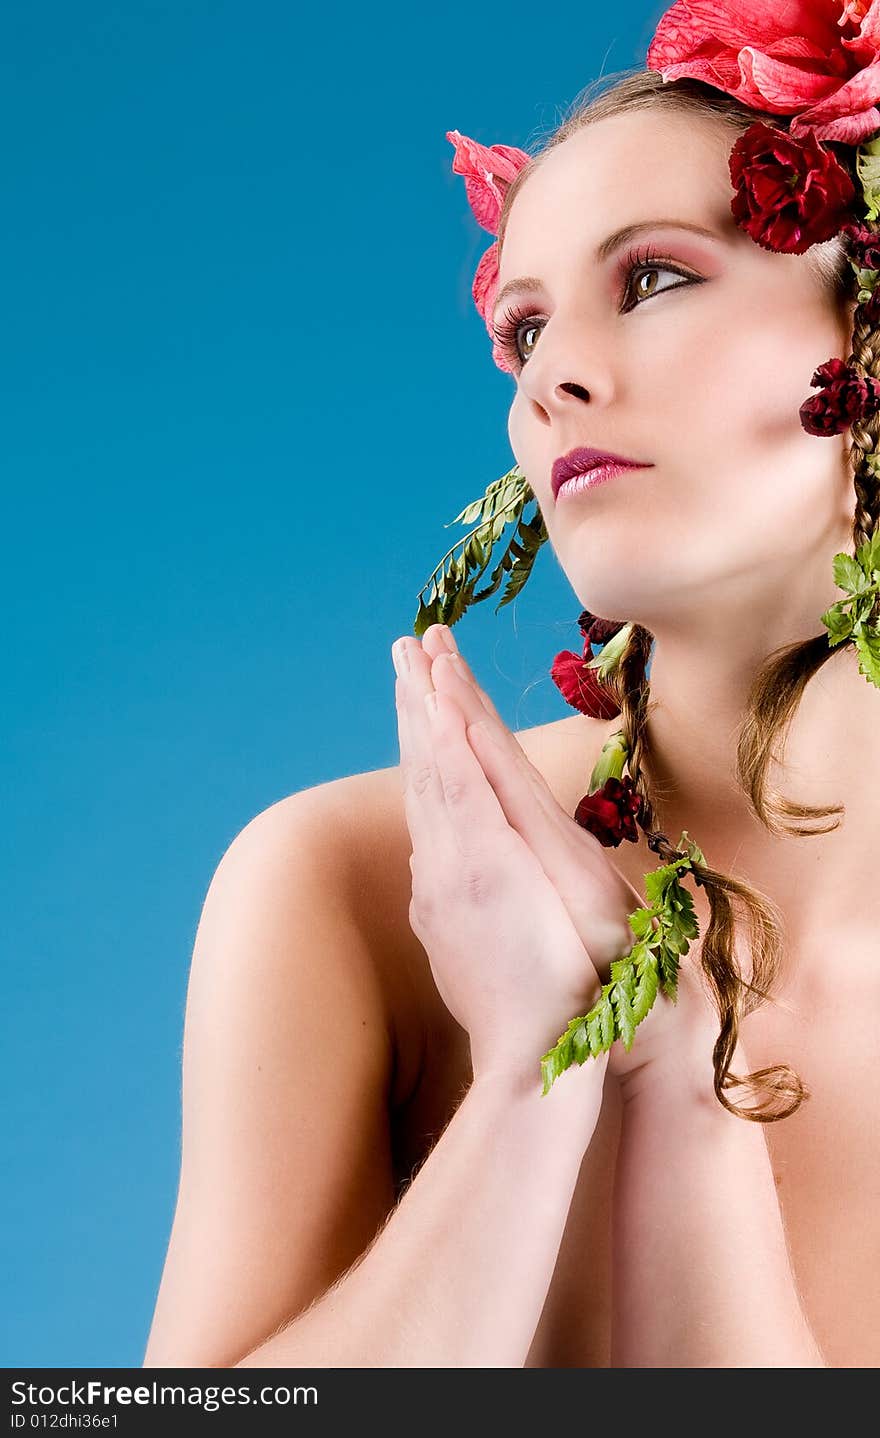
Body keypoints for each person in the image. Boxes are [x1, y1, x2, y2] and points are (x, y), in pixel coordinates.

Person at [142, 57, 880, 1368]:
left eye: (651, 278)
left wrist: (677, 1088)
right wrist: (537, 1081)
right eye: (525, 331)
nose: (550, 383)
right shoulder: (344, 887)